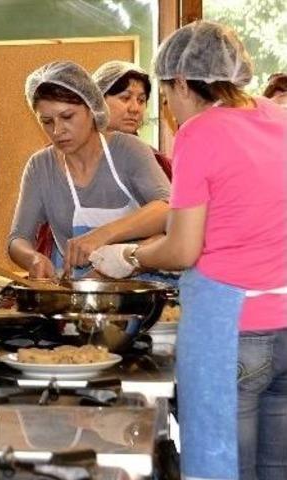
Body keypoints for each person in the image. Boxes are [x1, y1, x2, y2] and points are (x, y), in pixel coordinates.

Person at [90, 21, 287, 480]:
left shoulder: (201, 132)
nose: (169, 110)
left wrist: (131, 256)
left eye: (164, 96)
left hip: (233, 333)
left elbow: (182, 248)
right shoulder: (279, 118)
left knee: (221, 468)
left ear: (181, 81)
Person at [7, 61, 171, 280]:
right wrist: (33, 258)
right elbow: (18, 238)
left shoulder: (128, 150)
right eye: (47, 122)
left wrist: (103, 235)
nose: (57, 130)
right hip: (83, 293)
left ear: (92, 108)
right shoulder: (40, 167)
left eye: (67, 117)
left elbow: (169, 209)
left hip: (141, 291)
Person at [92, 60, 173, 179]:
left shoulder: (156, 161)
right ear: (99, 100)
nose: (135, 109)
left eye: (141, 100)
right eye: (125, 98)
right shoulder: (74, 156)